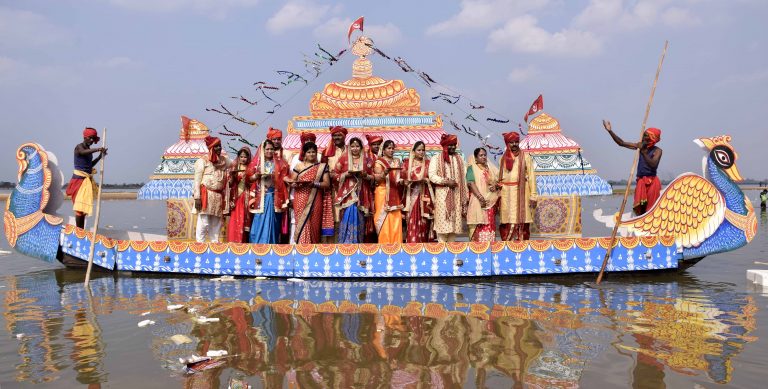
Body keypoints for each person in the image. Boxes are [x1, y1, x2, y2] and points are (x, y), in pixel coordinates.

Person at [603, 120, 663, 215]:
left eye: (646, 136)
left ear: (652, 139)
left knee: (652, 209)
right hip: (641, 181)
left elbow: (653, 164)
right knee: (641, 207)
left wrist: (643, 151)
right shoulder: (639, 145)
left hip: (653, 183)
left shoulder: (657, 151)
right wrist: (610, 131)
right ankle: (641, 223)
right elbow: (621, 143)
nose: (643, 137)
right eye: (644, 134)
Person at [287, 142, 332, 244]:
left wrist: (314, 184)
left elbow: (327, 183)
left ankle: (313, 247)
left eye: (313, 152)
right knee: (302, 222)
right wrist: (295, 184)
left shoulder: (322, 167)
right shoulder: (299, 166)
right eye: (309, 152)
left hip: (316, 197)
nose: (311, 154)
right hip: (300, 197)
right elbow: (292, 181)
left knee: (314, 223)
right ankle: (302, 247)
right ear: (305, 154)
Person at [428, 134, 468, 242]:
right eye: (450, 145)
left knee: (453, 230)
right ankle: (442, 253)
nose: (453, 147)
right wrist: (445, 181)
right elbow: (431, 175)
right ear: (445, 146)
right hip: (442, 196)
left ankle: (451, 254)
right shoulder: (436, 158)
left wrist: (466, 197)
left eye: (454, 145)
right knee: (442, 228)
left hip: (457, 195)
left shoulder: (459, 159)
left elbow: (464, 177)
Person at [498, 132, 537, 241]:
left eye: (516, 142)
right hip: (506, 194)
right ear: (507, 143)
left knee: (522, 221)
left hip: (521, 193)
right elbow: (500, 177)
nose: (514, 144)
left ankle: (522, 249)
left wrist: (533, 195)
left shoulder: (526, 157)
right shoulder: (503, 157)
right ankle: (507, 248)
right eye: (511, 142)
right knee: (507, 222)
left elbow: (532, 176)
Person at [248, 140, 288, 244]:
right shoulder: (257, 163)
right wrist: (256, 176)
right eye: (267, 149)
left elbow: (284, 177)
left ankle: (271, 246)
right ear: (263, 150)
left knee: (273, 222)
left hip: (273, 197)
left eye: (271, 149)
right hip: (260, 198)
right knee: (258, 221)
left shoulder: (279, 163)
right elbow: (249, 178)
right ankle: (257, 246)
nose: (269, 151)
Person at [334, 137, 373, 243]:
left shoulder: (367, 159)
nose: (355, 148)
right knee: (348, 214)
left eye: (357, 146)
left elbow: (373, 177)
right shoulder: (343, 158)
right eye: (352, 146)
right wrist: (346, 174)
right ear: (349, 147)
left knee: (360, 217)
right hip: (348, 195)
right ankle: (346, 242)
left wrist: (365, 175)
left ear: (361, 147)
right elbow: (334, 175)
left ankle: (358, 243)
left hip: (362, 194)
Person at [66, 127, 107, 229]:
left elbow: (89, 165)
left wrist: (100, 157)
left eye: (94, 139)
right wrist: (97, 149)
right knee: (79, 209)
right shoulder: (79, 147)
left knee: (83, 209)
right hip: (78, 181)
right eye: (91, 138)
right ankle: (79, 232)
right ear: (85, 137)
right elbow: (83, 152)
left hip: (85, 180)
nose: (92, 141)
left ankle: (81, 231)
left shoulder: (89, 150)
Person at [193, 136, 230, 242]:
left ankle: (215, 249)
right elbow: (197, 181)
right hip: (206, 195)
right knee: (204, 223)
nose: (219, 149)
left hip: (218, 196)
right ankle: (199, 247)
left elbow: (234, 165)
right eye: (216, 147)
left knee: (216, 225)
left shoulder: (224, 161)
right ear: (211, 148)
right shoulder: (203, 161)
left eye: (220, 146)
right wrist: (197, 197)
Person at [401, 141, 434, 243]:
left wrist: (426, 180)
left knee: (424, 224)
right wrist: (406, 182)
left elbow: (432, 179)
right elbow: (401, 179)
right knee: (412, 222)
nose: (421, 152)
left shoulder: (428, 163)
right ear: (414, 151)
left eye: (423, 150)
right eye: (419, 150)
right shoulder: (407, 163)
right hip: (411, 196)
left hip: (424, 197)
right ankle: (412, 246)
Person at [373, 140, 404, 244]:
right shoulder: (379, 162)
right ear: (383, 150)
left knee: (395, 218)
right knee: (383, 219)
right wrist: (384, 173)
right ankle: (384, 244)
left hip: (395, 193)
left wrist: (404, 181)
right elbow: (377, 178)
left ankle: (396, 244)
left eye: (392, 148)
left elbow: (399, 178)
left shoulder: (397, 161)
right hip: (382, 193)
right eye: (389, 148)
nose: (391, 150)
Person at [467, 148, 499, 242]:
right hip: (478, 201)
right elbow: (470, 183)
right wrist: (480, 198)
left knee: (490, 225)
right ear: (476, 158)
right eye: (481, 155)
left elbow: (498, 181)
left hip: (490, 202)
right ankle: (478, 249)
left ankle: (490, 249)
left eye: (485, 155)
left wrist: (495, 186)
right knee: (478, 224)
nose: (484, 157)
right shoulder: (471, 168)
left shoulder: (490, 168)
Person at [323, 126, 349, 242]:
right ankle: (332, 246)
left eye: (339, 135)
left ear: (344, 136)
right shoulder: (327, 152)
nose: (337, 138)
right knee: (334, 217)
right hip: (332, 189)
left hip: (349, 189)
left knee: (347, 216)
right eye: (334, 136)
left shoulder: (350, 150)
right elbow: (322, 170)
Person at [226, 147, 252, 243]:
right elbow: (230, 183)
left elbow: (253, 183)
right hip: (236, 197)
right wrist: (232, 176)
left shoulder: (250, 168)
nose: (243, 159)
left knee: (245, 219)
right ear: (238, 157)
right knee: (234, 219)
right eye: (241, 157)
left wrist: (248, 178)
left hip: (246, 196)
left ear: (248, 157)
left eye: (245, 157)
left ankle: (243, 242)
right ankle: (234, 241)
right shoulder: (235, 168)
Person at [363, 134, 384, 242]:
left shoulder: (383, 158)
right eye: (374, 144)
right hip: (368, 191)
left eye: (378, 145)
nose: (376, 146)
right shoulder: (366, 158)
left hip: (381, 192)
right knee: (369, 217)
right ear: (370, 145)